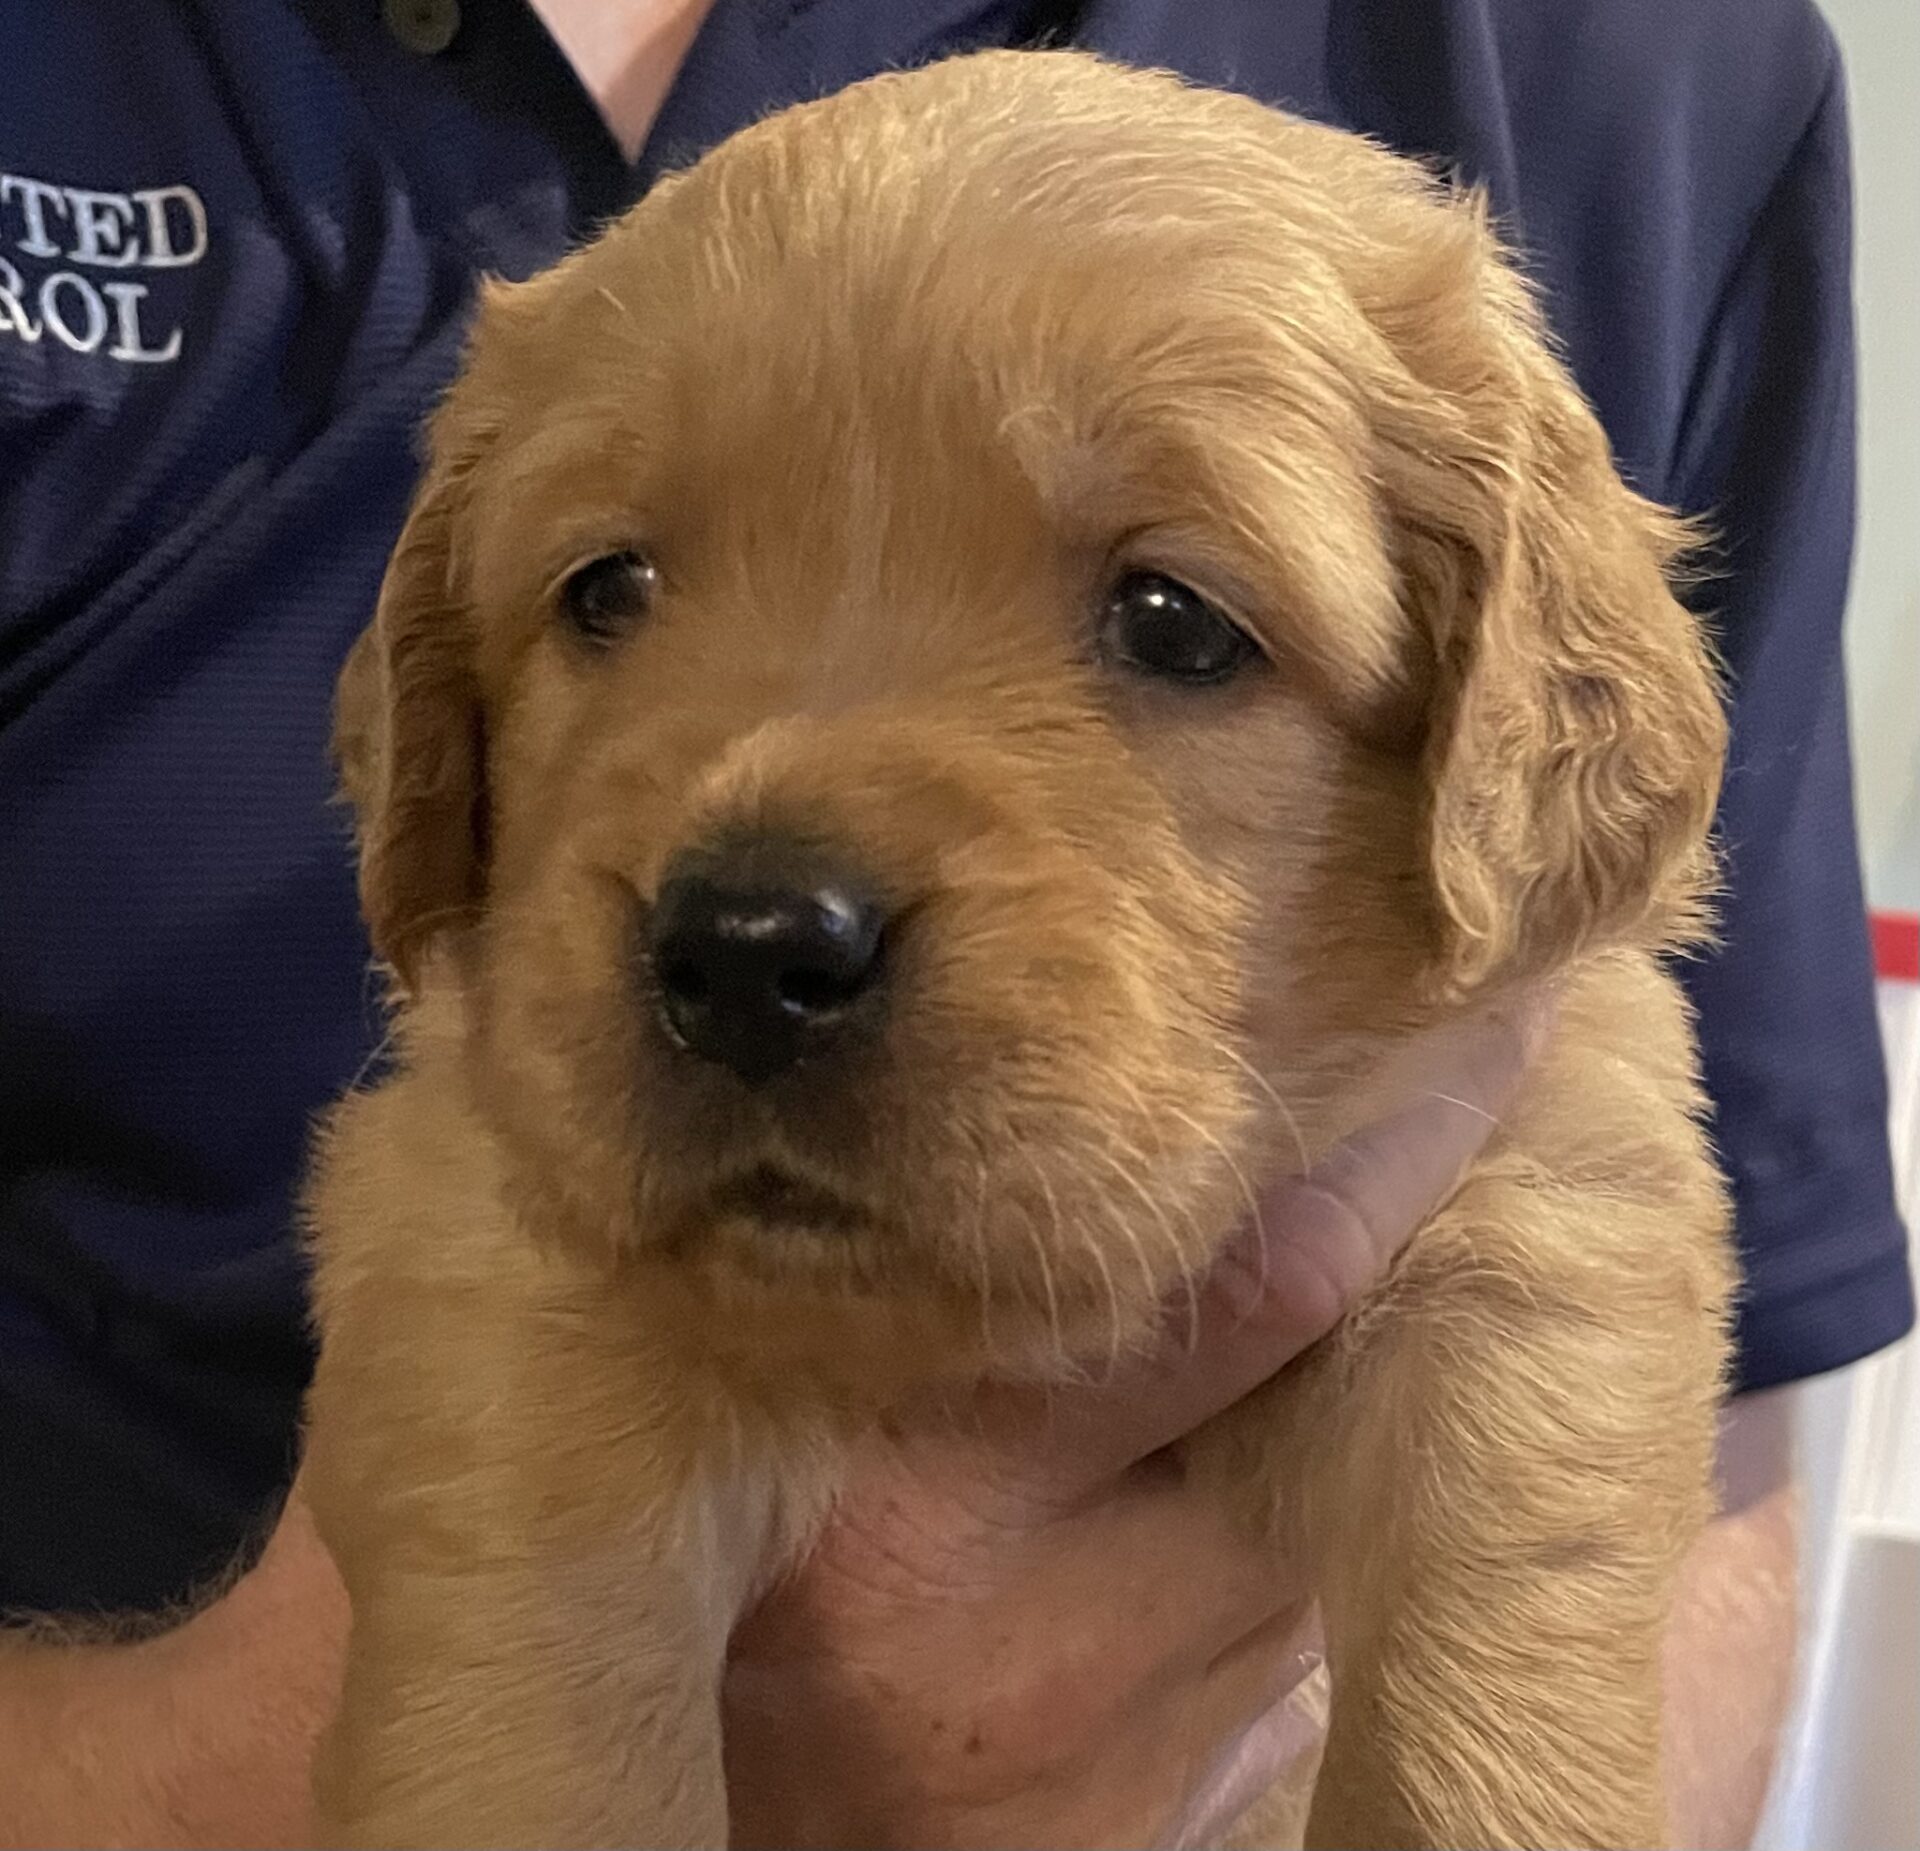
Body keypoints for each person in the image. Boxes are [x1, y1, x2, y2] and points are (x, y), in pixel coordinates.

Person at [0, 1, 1909, 1844]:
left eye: (1174, 623)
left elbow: (1649, 1368)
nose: (760, 887)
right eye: (610, 594)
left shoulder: (1642, 74)